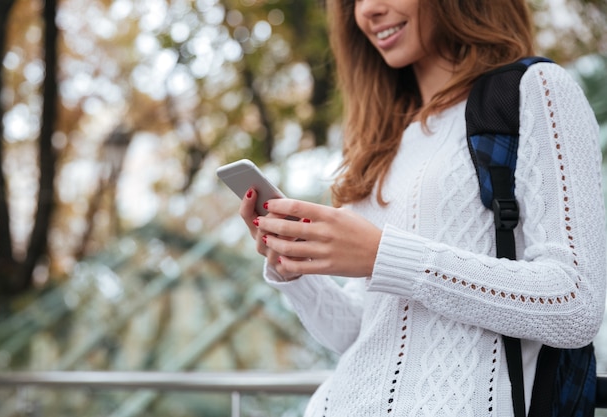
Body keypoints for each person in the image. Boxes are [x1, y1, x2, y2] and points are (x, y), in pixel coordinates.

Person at [238, 0, 606, 415]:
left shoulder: (535, 89)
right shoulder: (380, 142)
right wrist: (295, 269)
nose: (369, 10)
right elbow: (359, 333)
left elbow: (575, 303)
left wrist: (384, 255)